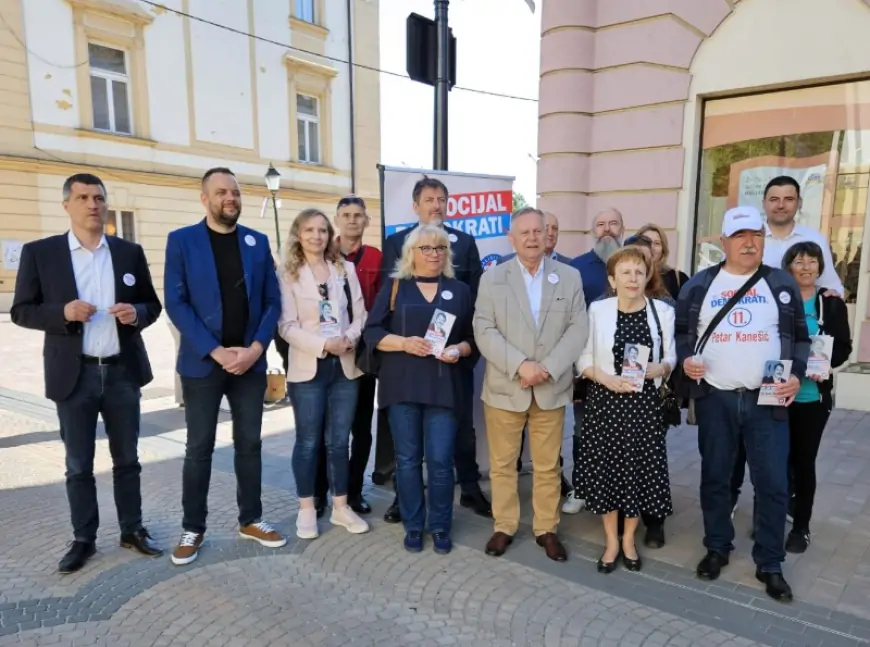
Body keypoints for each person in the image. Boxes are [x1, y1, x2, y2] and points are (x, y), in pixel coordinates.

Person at [11, 173, 163, 573]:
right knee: (78, 464)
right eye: (82, 197)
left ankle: (132, 529)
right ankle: (84, 538)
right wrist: (62, 312)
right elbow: (21, 311)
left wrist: (137, 314)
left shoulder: (128, 252)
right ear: (68, 206)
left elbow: (152, 304)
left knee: (127, 459)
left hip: (121, 374)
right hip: (73, 376)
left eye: (98, 197)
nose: (92, 204)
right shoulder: (42, 253)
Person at [676, 205, 809, 602]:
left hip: (766, 400)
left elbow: (800, 338)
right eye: (740, 236)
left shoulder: (780, 284)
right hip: (716, 398)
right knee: (716, 478)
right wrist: (686, 359)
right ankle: (717, 546)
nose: (749, 242)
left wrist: (797, 374)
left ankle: (770, 562)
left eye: (756, 234)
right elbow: (683, 335)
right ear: (724, 243)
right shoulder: (699, 286)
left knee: (771, 483)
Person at [164, 167, 285, 566]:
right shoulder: (181, 241)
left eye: (234, 192)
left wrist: (254, 349)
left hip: (249, 364)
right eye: (221, 192)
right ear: (205, 199)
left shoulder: (257, 241)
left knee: (249, 445)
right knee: (199, 448)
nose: (229, 198)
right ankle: (192, 528)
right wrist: (215, 351)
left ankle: (251, 519)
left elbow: (272, 302)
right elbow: (176, 303)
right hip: (204, 364)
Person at [474, 207, 587, 562]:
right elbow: (483, 329)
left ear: (548, 234)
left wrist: (548, 368)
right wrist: (520, 365)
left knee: (547, 466)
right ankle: (504, 525)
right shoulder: (493, 279)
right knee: (503, 464)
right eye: (524, 232)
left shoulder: (569, 277)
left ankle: (546, 528)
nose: (532, 238)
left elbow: (578, 329)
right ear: (512, 238)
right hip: (507, 387)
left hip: (550, 388)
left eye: (538, 231)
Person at [379, 176, 490, 523]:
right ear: (415, 205)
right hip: (406, 373)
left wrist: (462, 353)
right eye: (429, 199)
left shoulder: (465, 243)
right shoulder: (396, 242)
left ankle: (469, 488)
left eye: (442, 199)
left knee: (459, 435)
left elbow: (472, 304)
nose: (436, 205)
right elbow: (386, 309)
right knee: (408, 449)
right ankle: (404, 501)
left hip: (451, 366)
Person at [364, 224, 476, 554]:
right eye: (426, 249)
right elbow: (372, 332)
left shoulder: (459, 291)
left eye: (440, 248)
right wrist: (403, 343)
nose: (434, 254)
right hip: (402, 387)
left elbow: (473, 340)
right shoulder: (396, 286)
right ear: (412, 253)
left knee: (441, 462)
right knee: (408, 460)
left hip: (443, 388)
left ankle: (440, 526)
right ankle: (414, 524)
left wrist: (458, 350)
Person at [576, 246, 675, 573]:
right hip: (605, 403)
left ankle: (630, 538)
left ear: (648, 276)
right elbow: (583, 358)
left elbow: (671, 356)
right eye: (625, 272)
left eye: (639, 271)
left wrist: (661, 368)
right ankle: (611, 541)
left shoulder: (663, 312)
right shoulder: (597, 311)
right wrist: (604, 378)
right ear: (612, 279)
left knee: (638, 473)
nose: (633, 278)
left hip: (644, 404)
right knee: (608, 472)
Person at [277, 208, 370, 540]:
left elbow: (361, 314)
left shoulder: (343, 269)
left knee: (338, 442)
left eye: (322, 230)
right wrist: (322, 344)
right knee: (308, 441)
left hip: (345, 366)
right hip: (308, 368)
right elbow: (286, 326)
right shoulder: (288, 274)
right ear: (298, 235)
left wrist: (350, 338)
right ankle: (306, 509)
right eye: (309, 230)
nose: (317, 236)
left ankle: (341, 507)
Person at [312, 194, 383, 516]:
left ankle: (353, 491)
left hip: (363, 353)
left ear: (366, 220)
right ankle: (319, 491)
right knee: (324, 427)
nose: (353, 220)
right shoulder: (322, 254)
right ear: (336, 219)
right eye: (346, 215)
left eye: (358, 215)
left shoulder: (376, 258)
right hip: (325, 352)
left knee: (360, 429)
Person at [780, 241, 852, 553]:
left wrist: (822, 364)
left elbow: (843, 348)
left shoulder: (831, 304)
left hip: (812, 398)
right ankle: (767, 517)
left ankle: (801, 526)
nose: (806, 266)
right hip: (779, 395)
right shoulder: (779, 300)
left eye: (812, 261)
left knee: (803, 462)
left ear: (821, 267)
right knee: (774, 463)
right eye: (799, 261)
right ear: (789, 267)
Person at [561, 208, 626, 515]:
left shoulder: (633, 264)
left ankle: (618, 492)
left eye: (613, 223)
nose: (607, 230)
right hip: (586, 366)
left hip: (627, 367)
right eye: (600, 224)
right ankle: (582, 487)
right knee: (584, 431)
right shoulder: (576, 268)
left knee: (624, 435)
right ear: (592, 232)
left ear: (623, 228)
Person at [760, 176, 844, 295]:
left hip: (803, 312)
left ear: (799, 203)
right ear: (764, 203)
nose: (780, 205)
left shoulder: (815, 240)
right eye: (774, 199)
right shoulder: (748, 240)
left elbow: (831, 286)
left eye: (789, 199)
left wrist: (832, 299)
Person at [636, 223, 689, 301]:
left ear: (663, 250)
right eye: (646, 242)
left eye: (657, 243)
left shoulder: (679, 279)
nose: (651, 247)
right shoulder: (626, 276)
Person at [498, 211, 572, 265]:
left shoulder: (570, 264)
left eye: (554, 228)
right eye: (546, 228)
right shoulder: (504, 262)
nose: (550, 233)